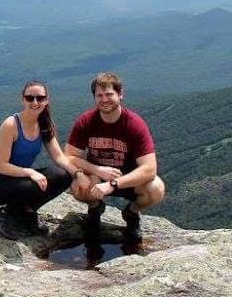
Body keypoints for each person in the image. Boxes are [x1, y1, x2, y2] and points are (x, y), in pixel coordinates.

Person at [64, 72, 165, 248]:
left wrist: (113, 184)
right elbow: (69, 157)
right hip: (98, 177)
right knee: (77, 186)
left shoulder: (134, 124)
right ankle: (95, 208)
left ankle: (132, 213)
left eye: (109, 94)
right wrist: (96, 170)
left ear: (120, 94)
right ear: (94, 98)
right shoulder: (86, 121)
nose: (104, 99)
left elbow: (149, 168)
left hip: (128, 180)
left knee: (156, 188)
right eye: (99, 95)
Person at [0, 80, 84, 239]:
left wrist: (78, 175)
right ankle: (4, 214)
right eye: (30, 98)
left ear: (46, 100)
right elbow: (1, 166)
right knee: (34, 184)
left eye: (40, 98)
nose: (35, 102)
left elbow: (59, 157)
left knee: (63, 175)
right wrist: (30, 172)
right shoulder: (11, 125)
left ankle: (25, 211)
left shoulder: (43, 124)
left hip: (18, 180)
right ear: (22, 99)